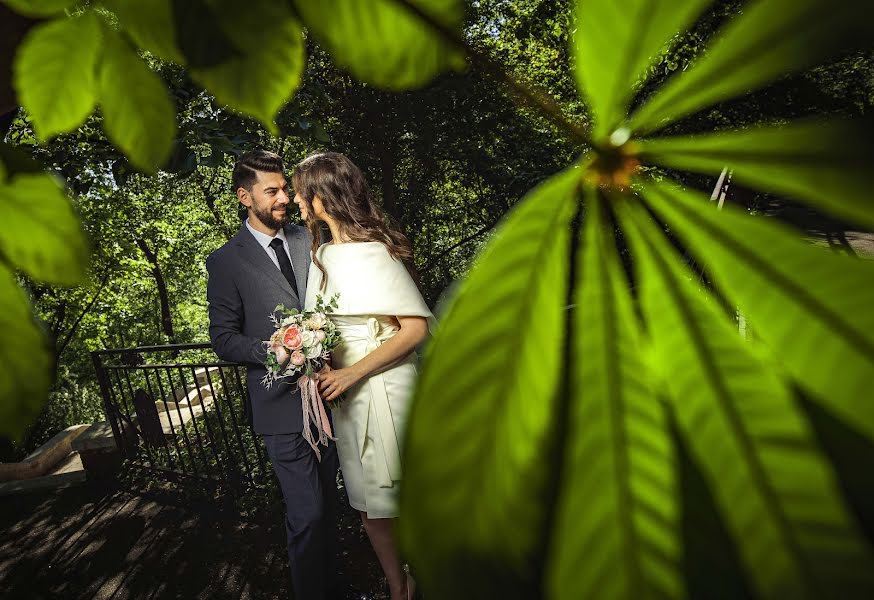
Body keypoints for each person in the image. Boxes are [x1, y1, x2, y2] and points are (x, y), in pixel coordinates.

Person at [294, 152, 434, 600]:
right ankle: (399, 587)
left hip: (389, 391)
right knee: (369, 505)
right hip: (348, 398)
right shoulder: (322, 256)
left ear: (321, 196)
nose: (297, 200)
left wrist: (352, 372)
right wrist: (311, 354)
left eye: (301, 190)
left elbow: (415, 329)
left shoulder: (374, 252)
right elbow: (324, 325)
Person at [206, 149, 338, 600]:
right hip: (279, 409)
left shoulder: (311, 239)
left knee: (332, 508)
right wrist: (279, 348)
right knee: (308, 515)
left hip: (334, 396)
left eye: (285, 188)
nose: (284, 197)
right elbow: (222, 339)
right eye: (273, 190)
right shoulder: (226, 261)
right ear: (245, 197)